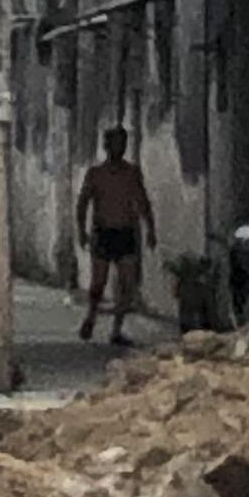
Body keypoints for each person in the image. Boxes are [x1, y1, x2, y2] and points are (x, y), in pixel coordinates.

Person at [74, 128, 154, 347]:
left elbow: (143, 201)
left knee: (127, 284)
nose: (120, 147)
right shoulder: (96, 174)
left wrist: (151, 229)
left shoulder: (132, 173)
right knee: (98, 282)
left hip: (125, 232)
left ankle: (117, 329)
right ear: (107, 146)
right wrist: (82, 231)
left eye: (123, 143)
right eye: (115, 143)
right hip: (103, 232)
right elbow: (83, 203)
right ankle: (91, 316)